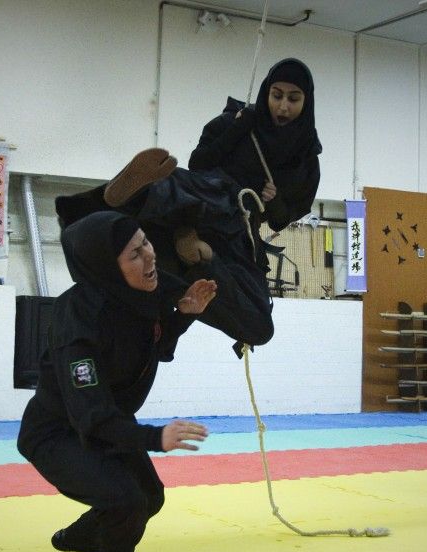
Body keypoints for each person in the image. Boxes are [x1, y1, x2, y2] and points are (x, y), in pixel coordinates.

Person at [17, 210, 216, 552]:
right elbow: (91, 414)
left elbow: (155, 349)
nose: (149, 257)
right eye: (133, 254)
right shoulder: (77, 320)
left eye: (146, 243)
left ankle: (83, 537)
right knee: (126, 500)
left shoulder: (139, 297)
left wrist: (184, 318)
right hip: (59, 433)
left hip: (110, 424)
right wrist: (153, 438)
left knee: (151, 498)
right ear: (107, 267)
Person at [54, 58, 321, 354]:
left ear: (307, 101)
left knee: (260, 326)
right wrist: (238, 129)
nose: (283, 106)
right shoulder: (238, 120)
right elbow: (199, 162)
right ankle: (136, 197)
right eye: (277, 95)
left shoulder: (306, 158)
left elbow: (281, 220)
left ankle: (201, 260)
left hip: (238, 235)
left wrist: (276, 201)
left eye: (293, 99)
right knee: (174, 185)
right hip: (208, 197)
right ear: (265, 93)